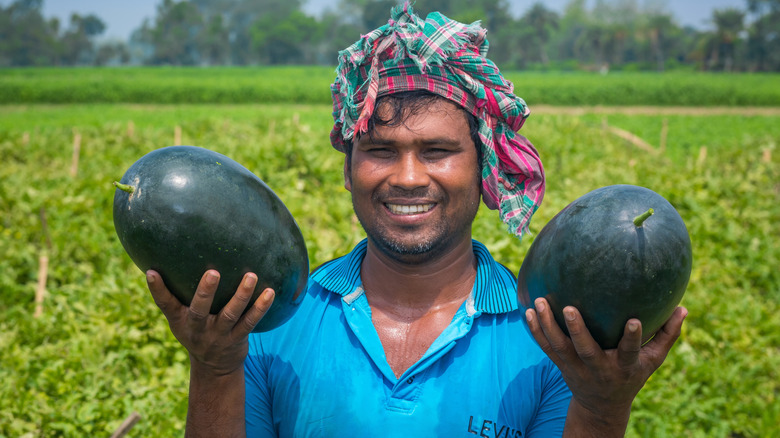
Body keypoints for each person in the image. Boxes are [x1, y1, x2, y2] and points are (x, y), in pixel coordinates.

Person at [145, 4, 687, 437]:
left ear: (485, 167)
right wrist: (214, 369)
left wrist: (601, 405)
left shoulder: (550, 337)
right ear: (349, 168)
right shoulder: (269, 318)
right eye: (380, 150)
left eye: (436, 150)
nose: (406, 177)